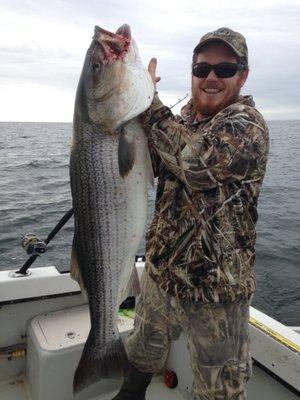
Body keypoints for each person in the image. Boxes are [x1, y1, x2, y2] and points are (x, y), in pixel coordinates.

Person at [112, 27, 269, 400]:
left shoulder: (248, 127)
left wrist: (147, 102)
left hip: (216, 299)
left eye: (225, 69)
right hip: (160, 278)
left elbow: (196, 163)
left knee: (218, 393)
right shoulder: (180, 122)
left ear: (242, 75)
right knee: (141, 353)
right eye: (202, 69)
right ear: (192, 73)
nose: (211, 78)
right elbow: (143, 167)